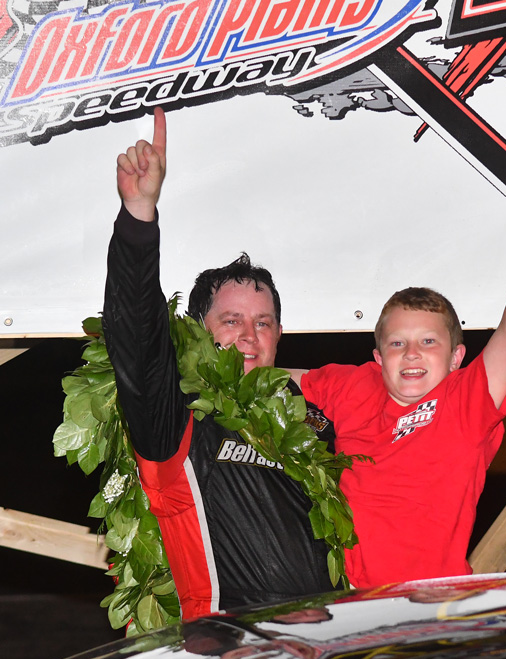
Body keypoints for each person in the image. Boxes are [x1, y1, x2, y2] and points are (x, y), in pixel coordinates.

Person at [296, 163, 506, 589]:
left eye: (428, 342)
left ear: (456, 358)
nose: (411, 353)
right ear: (378, 357)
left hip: (433, 601)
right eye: (397, 343)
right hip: (348, 601)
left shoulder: (465, 400)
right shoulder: (352, 385)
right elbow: (263, 377)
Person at [102, 107, 336, 620]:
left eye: (264, 322)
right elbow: (137, 339)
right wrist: (138, 217)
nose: (250, 335)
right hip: (229, 648)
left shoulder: (317, 422)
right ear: (197, 330)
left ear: (280, 335)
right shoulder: (178, 421)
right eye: (231, 320)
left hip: (325, 648)